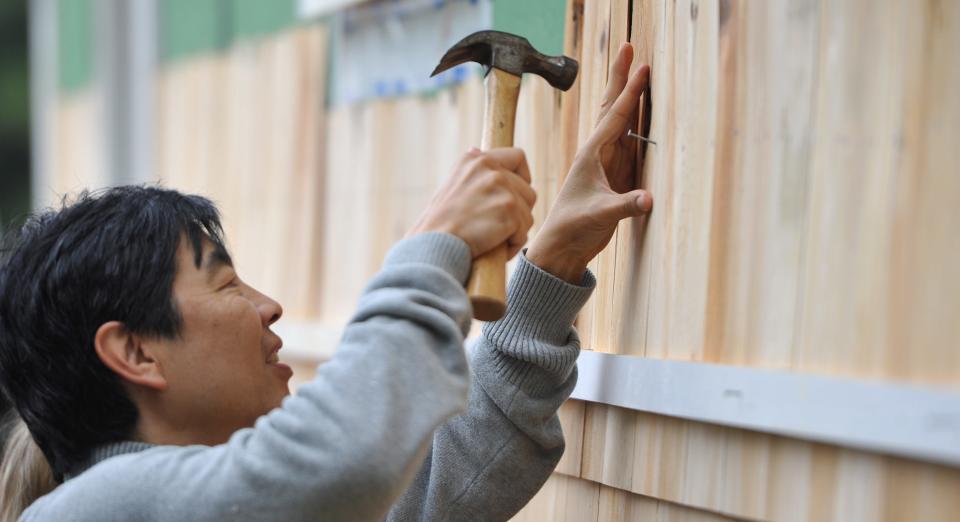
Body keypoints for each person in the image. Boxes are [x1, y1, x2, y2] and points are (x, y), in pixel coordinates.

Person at [0, 45, 651, 521]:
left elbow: (424, 488)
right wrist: (436, 243)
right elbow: (351, 459)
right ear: (136, 352)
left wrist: (552, 264)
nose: (269, 307)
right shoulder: (102, 508)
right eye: (227, 287)